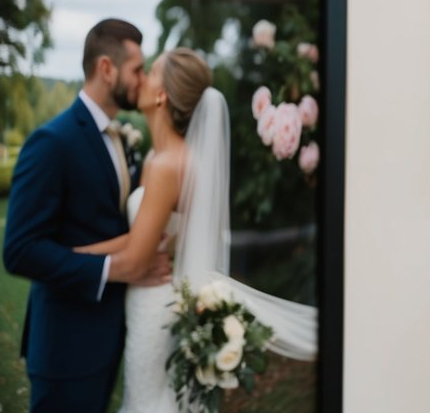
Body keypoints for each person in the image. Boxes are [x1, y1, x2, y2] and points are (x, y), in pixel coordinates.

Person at [75, 48, 318, 410]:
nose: (141, 78)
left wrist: (70, 255)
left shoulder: (167, 166)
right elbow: (146, 236)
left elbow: (139, 253)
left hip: (153, 300)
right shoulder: (162, 158)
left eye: (150, 72)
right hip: (151, 293)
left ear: (162, 95)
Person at [2, 19, 169, 413]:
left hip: (110, 338)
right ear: (106, 68)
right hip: (66, 348)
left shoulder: (121, 137)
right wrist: (116, 268)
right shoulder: (52, 142)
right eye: (137, 70)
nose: (142, 79)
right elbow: (20, 250)